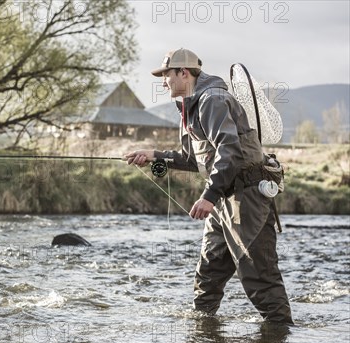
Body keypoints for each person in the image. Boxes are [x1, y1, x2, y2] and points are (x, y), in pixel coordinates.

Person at [125, 48, 293, 324]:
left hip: (247, 197)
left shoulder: (211, 101)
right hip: (224, 199)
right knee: (209, 274)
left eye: (166, 74)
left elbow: (229, 150)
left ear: (184, 73)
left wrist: (208, 197)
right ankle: (204, 341)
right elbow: (193, 160)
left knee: (258, 278)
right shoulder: (190, 109)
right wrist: (154, 156)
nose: (163, 81)